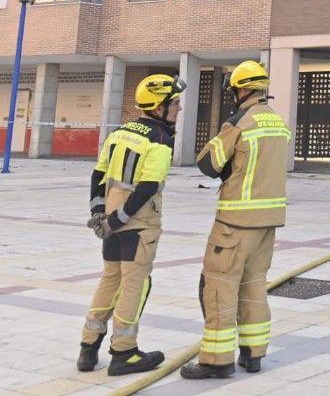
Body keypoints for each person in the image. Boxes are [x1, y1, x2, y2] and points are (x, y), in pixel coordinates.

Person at [181, 60, 291, 379]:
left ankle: (216, 361)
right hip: (268, 223)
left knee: (218, 288)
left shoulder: (241, 123)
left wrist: (228, 127)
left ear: (241, 89)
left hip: (235, 223)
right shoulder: (278, 122)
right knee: (255, 287)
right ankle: (254, 355)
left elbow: (207, 164)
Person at [77, 73, 185, 374]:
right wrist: (121, 218)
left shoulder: (120, 132)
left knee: (109, 279)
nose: (178, 107)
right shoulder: (160, 139)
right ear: (159, 106)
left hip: (112, 222)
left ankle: (88, 348)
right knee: (134, 285)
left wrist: (101, 214)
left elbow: (98, 176)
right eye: (174, 102)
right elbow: (149, 186)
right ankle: (124, 352)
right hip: (138, 224)